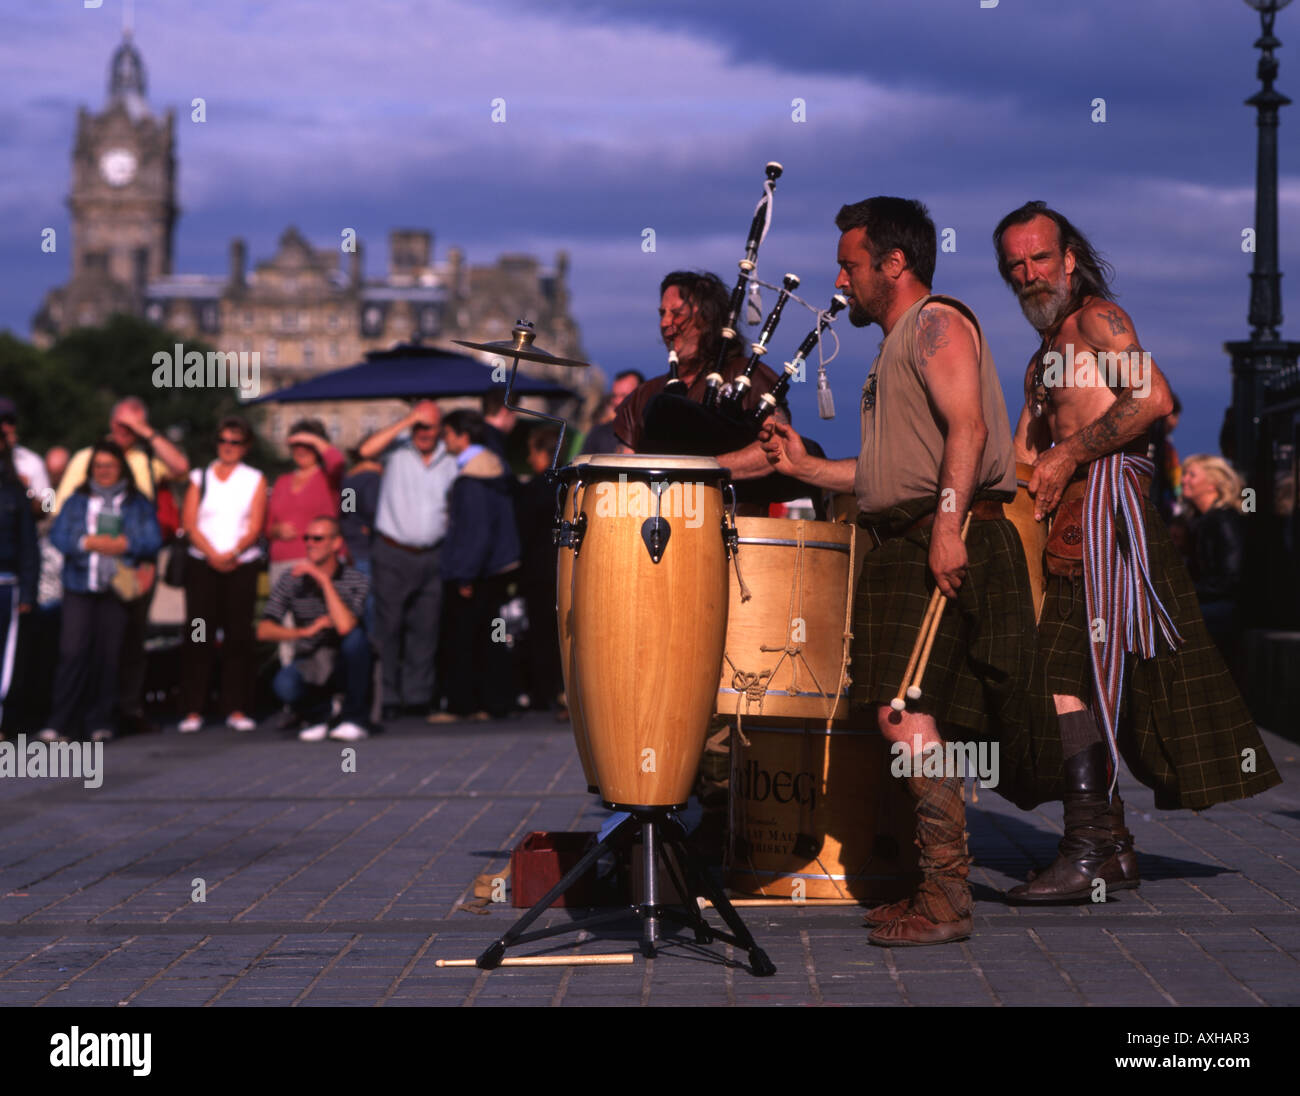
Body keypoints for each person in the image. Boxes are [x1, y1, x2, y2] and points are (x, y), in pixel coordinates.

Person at [761, 196, 1044, 946]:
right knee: (909, 712)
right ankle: (937, 889)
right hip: (910, 538)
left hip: (938, 539)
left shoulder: (936, 324)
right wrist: (805, 466)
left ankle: (947, 899)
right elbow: (887, 473)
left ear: (895, 263)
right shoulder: (892, 348)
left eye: (851, 266)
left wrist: (948, 526)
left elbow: (970, 429)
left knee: (901, 712)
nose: (841, 281)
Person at [991, 200, 1280, 903]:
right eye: (1014, 266)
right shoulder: (1042, 357)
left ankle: (1090, 845)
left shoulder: (1099, 320)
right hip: (1068, 528)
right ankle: (1112, 846)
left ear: (1070, 259)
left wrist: (1070, 452)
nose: (1029, 274)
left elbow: (1154, 399)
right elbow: (1022, 461)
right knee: (1071, 674)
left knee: (1066, 677)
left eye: (1039, 258)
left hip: (1108, 514)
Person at [54, 397, 189, 738]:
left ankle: (124, 711)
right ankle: (73, 717)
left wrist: (146, 433)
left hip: (135, 566)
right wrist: (89, 542)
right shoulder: (86, 457)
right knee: (80, 647)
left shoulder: (145, 457)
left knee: (127, 645)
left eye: (131, 428)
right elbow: (63, 512)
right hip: (88, 568)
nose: (124, 433)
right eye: (120, 425)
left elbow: (182, 467)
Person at [45, 441, 161, 742]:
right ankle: (62, 723)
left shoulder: (136, 502)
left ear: (120, 467)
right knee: (72, 652)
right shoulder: (78, 500)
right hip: (80, 584)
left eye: (109, 465)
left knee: (110, 656)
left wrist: (126, 544)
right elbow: (58, 535)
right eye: (98, 466)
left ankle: (102, 721)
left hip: (117, 586)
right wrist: (86, 542)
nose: (104, 471)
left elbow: (152, 539)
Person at [358, 399, 458, 719]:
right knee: (388, 627)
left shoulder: (451, 457)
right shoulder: (398, 448)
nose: (423, 432)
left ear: (441, 428)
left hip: (433, 553)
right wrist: (406, 421)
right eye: (419, 426)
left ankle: (417, 696)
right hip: (392, 551)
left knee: (425, 628)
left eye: (429, 426)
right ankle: (387, 696)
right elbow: (365, 451)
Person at [176, 417, 267, 734]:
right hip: (203, 564)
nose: (228, 448)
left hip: (241, 564)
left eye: (235, 442)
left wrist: (233, 553)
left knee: (237, 636)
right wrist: (213, 554)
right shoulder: (200, 476)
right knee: (199, 635)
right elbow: (190, 523)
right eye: (223, 441)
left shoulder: (254, 478)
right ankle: (193, 708)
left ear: (246, 447)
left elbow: (256, 526)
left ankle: (236, 706)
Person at [430, 410, 521, 722]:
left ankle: (466, 704)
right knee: (488, 638)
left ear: (461, 435)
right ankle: (490, 701)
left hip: (475, 571)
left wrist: (465, 574)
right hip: (491, 568)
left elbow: (475, 531)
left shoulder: (473, 477)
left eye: (447, 434)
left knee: (464, 640)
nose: (444, 440)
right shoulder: (492, 468)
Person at [258, 515, 371, 741]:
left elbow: (346, 626)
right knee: (285, 684)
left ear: (336, 543)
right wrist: (303, 632)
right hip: (311, 657)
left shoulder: (356, 579)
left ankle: (354, 719)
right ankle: (319, 716)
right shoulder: (292, 579)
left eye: (318, 538)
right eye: (307, 538)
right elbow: (264, 629)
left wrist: (323, 581)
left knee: (356, 640)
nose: (310, 543)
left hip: (344, 659)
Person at [266, 419, 344, 666]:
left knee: (319, 627)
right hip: (281, 564)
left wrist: (311, 438)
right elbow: (266, 526)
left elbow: (338, 460)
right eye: (295, 445)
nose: (300, 450)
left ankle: (325, 692)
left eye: (306, 444)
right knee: (286, 629)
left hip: (316, 564)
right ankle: (290, 690)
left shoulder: (328, 478)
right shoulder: (281, 481)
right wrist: (276, 529)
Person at [513, 426, 564, 716]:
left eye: (532, 452)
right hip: (561, 569)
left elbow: (522, 532)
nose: (530, 459)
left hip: (537, 570)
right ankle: (560, 690)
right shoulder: (564, 486)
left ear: (542, 452)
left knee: (540, 634)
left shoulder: (532, 490)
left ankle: (542, 693)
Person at [1181, 454, 1247, 660]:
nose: (1184, 480)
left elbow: (1232, 577)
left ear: (1213, 484)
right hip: (1213, 602)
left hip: (1226, 607)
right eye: (1185, 474)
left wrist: (1189, 593)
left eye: (1192, 475)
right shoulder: (1200, 521)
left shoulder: (1223, 520)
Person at [0, 429, 37, 734]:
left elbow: (28, 546)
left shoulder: (14, 491)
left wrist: (28, 591)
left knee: (5, 658)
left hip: (6, 584)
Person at [0, 397, 50, 510]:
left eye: (10, 421)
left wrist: (28, 492)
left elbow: (49, 506)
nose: (4, 428)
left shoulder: (33, 461)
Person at [580, 370, 645, 456]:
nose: (617, 402)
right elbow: (581, 464)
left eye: (624, 396)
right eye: (614, 396)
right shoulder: (599, 433)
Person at [481, 389, 518, 464]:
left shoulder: (475, 433)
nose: (516, 420)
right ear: (504, 412)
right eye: (515, 413)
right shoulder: (493, 441)